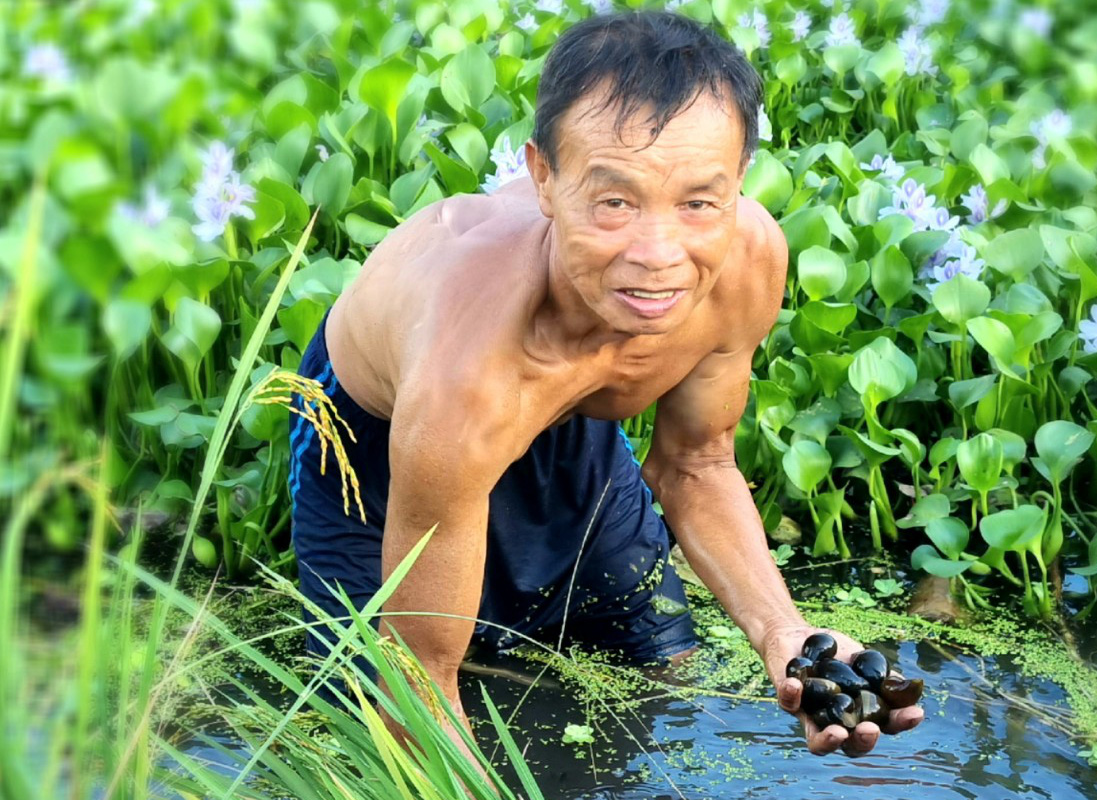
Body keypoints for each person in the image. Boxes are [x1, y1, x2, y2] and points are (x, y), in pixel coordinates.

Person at [288, 9, 924, 758]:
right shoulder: (467, 366)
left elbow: (697, 463)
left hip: (567, 415)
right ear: (544, 178)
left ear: (739, 182)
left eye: (698, 202)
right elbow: (421, 680)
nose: (658, 256)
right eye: (615, 201)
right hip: (382, 437)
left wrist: (785, 634)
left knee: (665, 671)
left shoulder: (745, 262)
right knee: (374, 720)